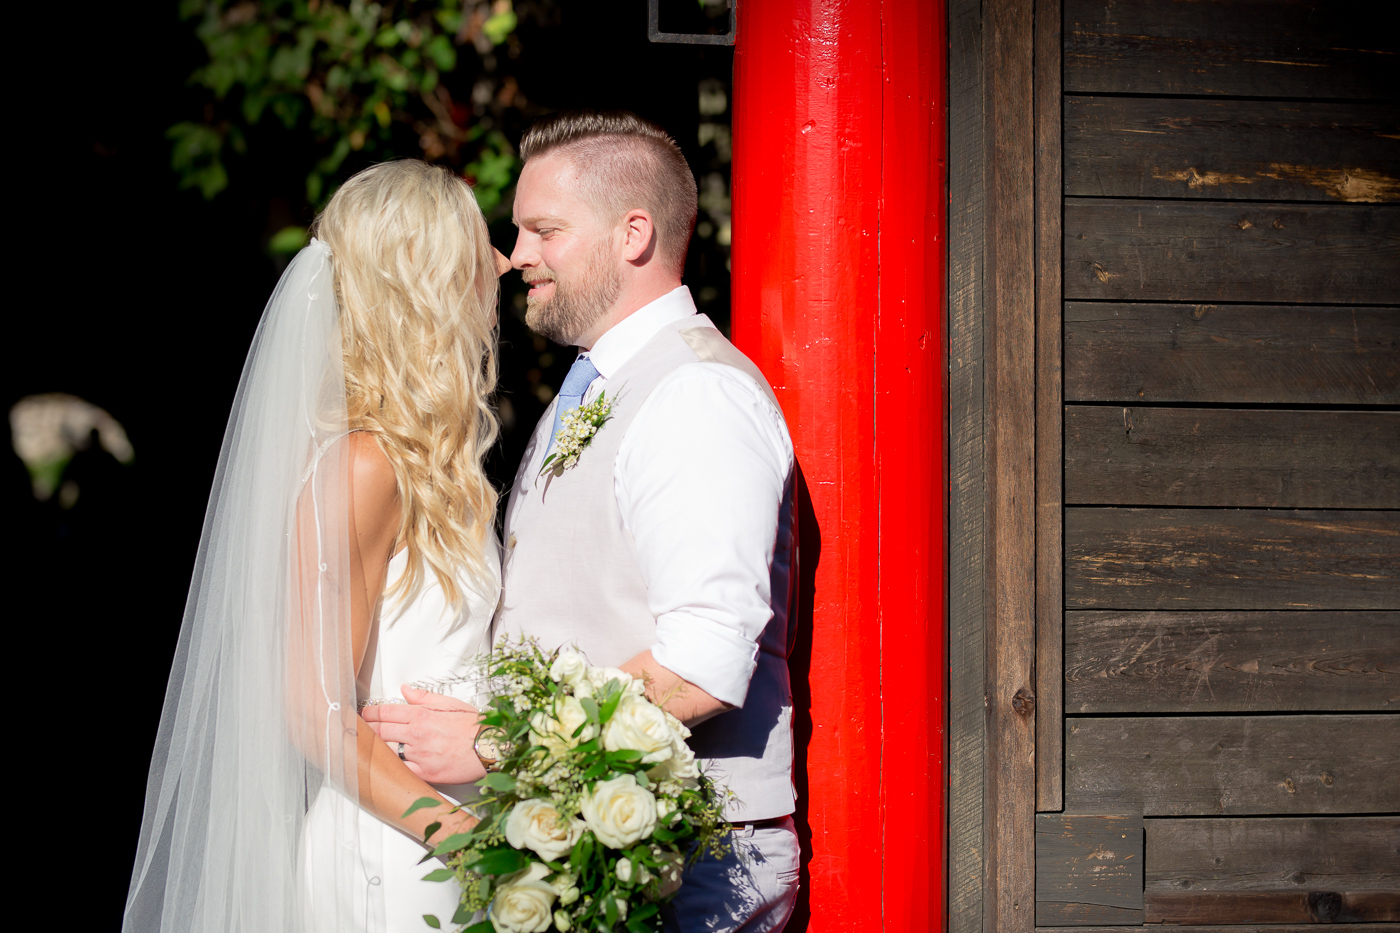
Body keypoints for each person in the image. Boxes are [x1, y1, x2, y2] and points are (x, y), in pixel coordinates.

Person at [363, 111, 800, 932]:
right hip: (600, 844)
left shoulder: (696, 395)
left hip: (689, 857)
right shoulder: (595, 385)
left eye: (544, 230)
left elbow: (703, 661)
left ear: (633, 234)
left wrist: (499, 743)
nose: (516, 254)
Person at [124, 160, 508, 933]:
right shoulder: (363, 466)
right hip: (400, 855)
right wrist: (474, 842)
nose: (503, 263)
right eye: (482, 247)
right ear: (426, 281)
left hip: (445, 838)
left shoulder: (429, 461)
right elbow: (315, 712)